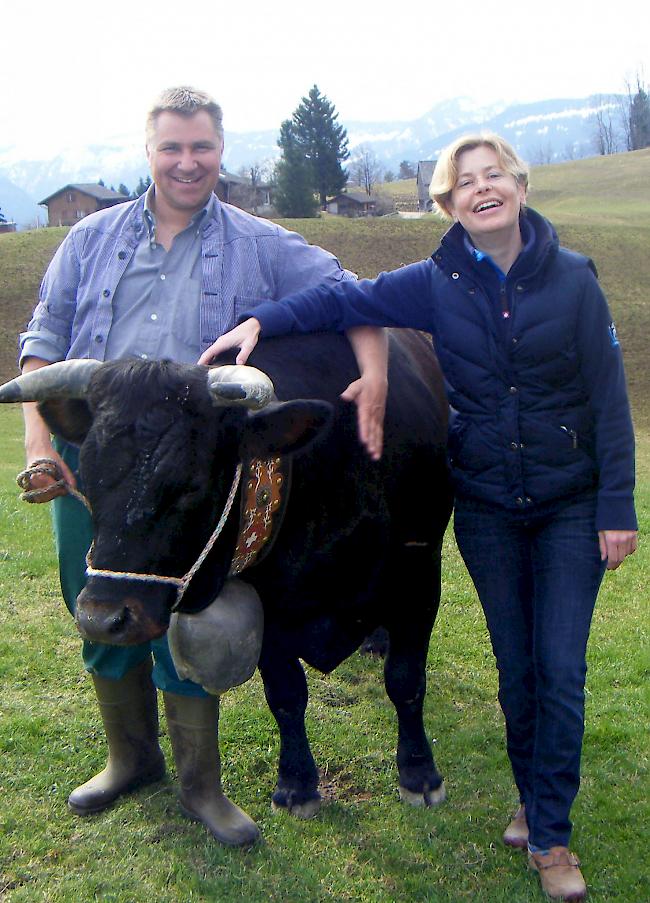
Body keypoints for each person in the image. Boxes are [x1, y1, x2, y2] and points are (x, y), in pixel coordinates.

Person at [201, 133, 638, 897]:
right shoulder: (435, 283)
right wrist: (260, 320)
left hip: (570, 503)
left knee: (560, 671)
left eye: (493, 175)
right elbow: (342, 297)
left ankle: (551, 835)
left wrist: (615, 506)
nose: (481, 189)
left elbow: (609, 401)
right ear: (447, 204)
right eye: (464, 182)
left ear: (520, 186)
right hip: (490, 510)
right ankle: (536, 801)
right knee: (516, 674)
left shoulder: (574, 281)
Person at [18, 86, 388, 847]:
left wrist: (361, 366)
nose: (187, 163)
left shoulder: (258, 240)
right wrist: (38, 442)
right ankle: (129, 759)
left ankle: (201, 785)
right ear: (147, 151)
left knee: (185, 604)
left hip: (194, 466)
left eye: (202, 148)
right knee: (97, 597)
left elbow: (347, 290)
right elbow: (45, 337)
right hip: (100, 455)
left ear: (221, 151)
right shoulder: (87, 237)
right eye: (171, 148)